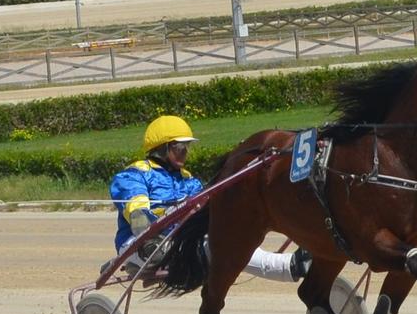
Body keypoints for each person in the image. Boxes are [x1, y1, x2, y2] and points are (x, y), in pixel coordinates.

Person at [110, 115, 310, 282]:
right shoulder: (135, 174)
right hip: (139, 245)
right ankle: (288, 266)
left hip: (177, 243)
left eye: (188, 147)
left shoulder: (187, 179)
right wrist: (151, 239)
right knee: (223, 247)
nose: (186, 152)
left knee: (228, 240)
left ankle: (294, 264)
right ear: (163, 148)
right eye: (180, 147)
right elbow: (137, 213)